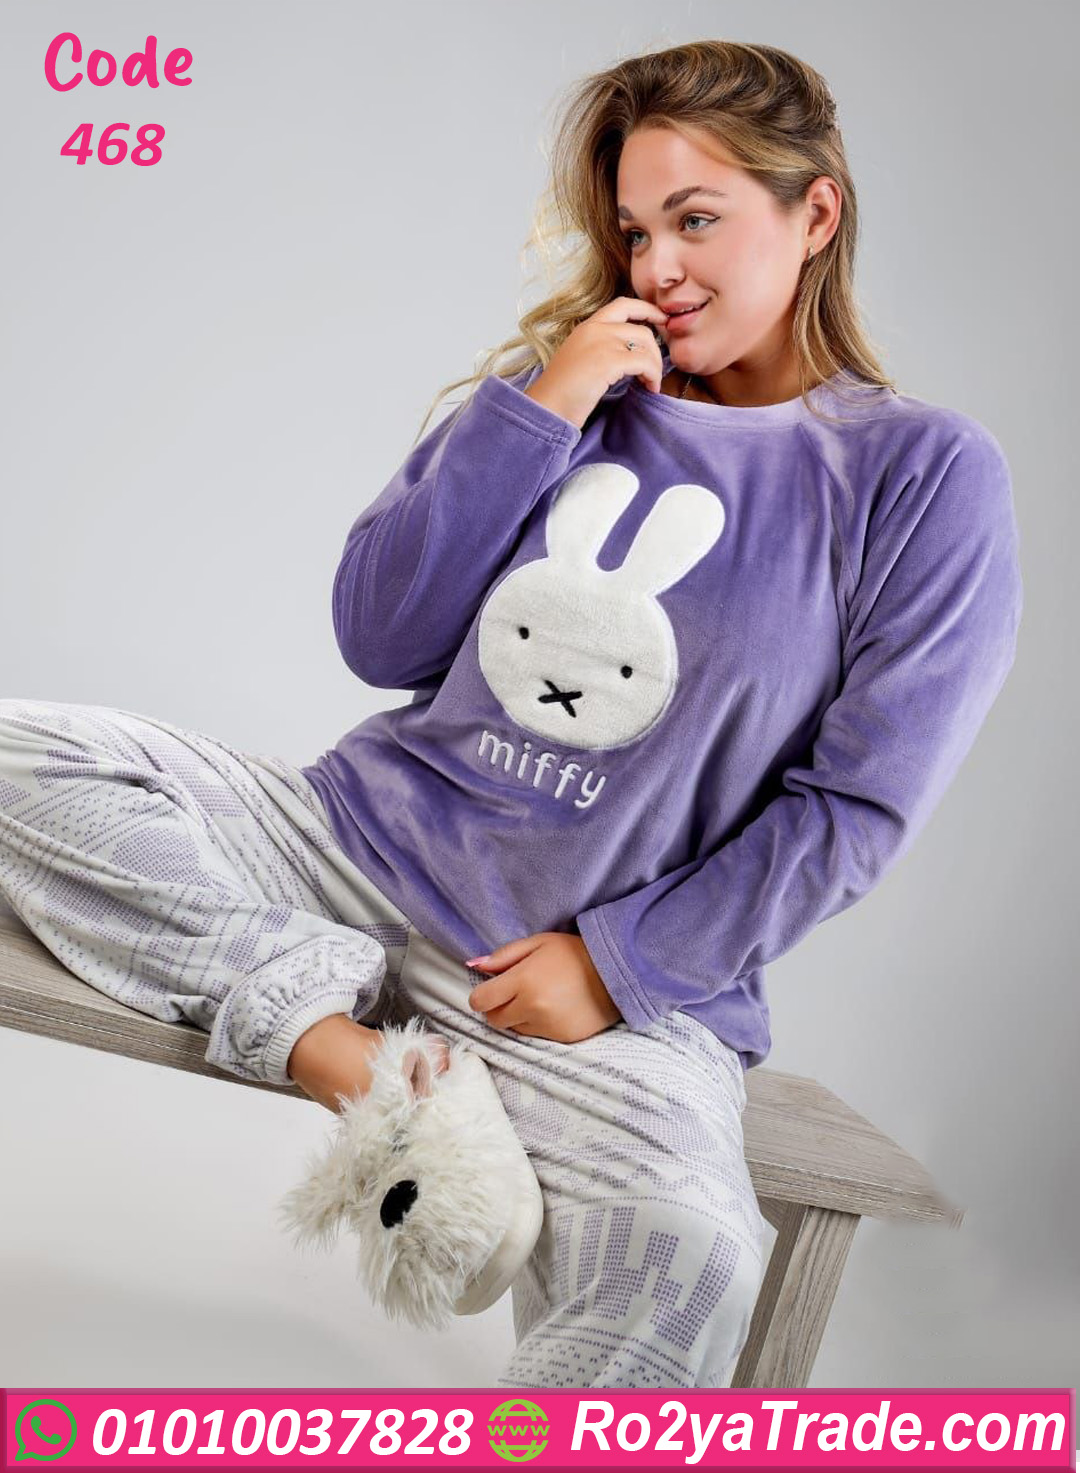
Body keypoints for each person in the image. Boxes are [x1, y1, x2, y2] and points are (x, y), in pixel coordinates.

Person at [0, 38, 1022, 1388]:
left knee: (691, 1269)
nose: (659, 267)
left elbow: (858, 806)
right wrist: (543, 405)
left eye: (696, 220)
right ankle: (362, 1069)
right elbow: (382, 634)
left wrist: (615, 964)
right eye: (636, 231)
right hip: (353, 849)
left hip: (601, 985)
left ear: (815, 211)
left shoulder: (919, 475)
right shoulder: (575, 390)